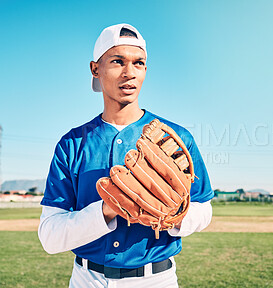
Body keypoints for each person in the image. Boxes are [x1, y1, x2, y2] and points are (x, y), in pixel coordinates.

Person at [38, 23, 214, 288]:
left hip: (156, 280)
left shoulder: (173, 138)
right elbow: (50, 238)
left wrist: (171, 214)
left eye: (139, 63)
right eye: (117, 61)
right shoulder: (71, 144)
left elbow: (205, 210)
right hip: (88, 280)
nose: (129, 73)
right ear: (95, 69)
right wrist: (110, 206)